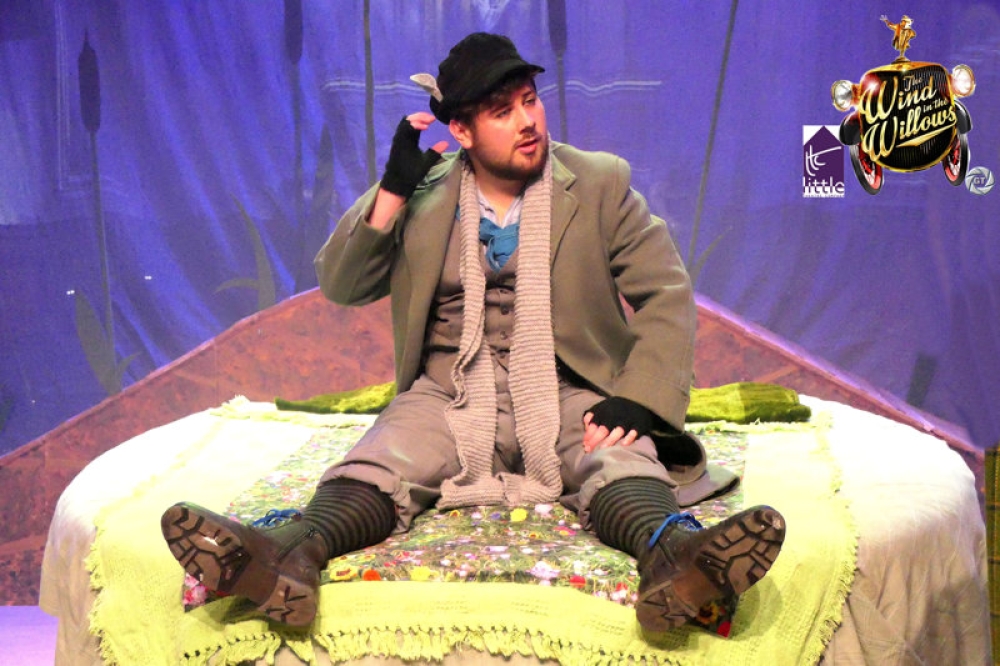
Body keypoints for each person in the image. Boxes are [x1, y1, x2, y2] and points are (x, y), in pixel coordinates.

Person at [161, 32, 784, 634]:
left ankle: (676, 560)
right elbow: (343, 285)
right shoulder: (424, 191)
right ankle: (284, 556)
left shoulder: (599, 182)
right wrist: (393, 191)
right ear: (461, 131)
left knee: (619, 458)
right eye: (501, 112)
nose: (527, 121)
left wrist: (639, 401)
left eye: (529, 101)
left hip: (568, 388)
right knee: (380, 461)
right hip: (448, 391)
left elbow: (665, 293)